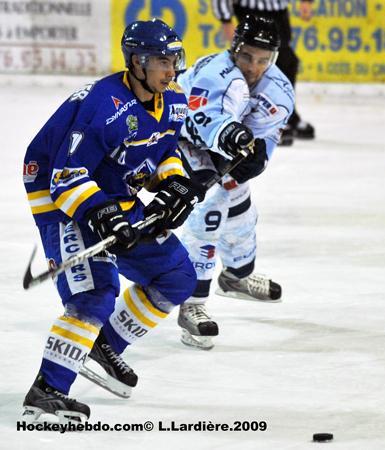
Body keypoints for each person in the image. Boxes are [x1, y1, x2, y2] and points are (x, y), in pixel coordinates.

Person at [21, 19, 207, 423]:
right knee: (94, 293)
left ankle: (103, 343)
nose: (171, 69)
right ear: (137, 62)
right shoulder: (104, 107)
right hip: (60, 190)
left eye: (173, 59)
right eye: (162, 60)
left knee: (177, 277)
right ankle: (47, 391)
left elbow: (163, 151)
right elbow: (64, 177)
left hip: (111, 186)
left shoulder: (172, 100)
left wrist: (175, 184)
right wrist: (105, 217)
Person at [175, 15, 295, 350]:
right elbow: (203, 121)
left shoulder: (279, 89)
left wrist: (258, 157)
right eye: (246, 57)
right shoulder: (217, 73)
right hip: (182, 138)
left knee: (241, 211)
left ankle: (235, 276)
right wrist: (234, 138)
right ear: (235, 50)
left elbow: (267, 135)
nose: (253, 67)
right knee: (208, 213)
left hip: (224, 147)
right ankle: (192, 303)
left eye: (262, 60)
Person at [212, 0, 315, 145]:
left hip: (279, 11)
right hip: (249, 11)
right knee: (251, 65)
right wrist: (226, 19)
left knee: (286, 62)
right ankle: (251, 118)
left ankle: (285, 117)